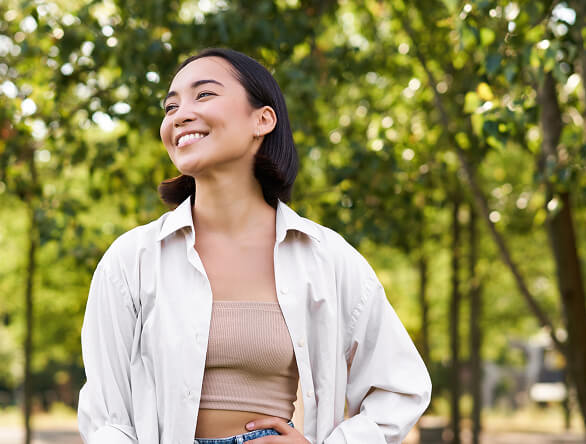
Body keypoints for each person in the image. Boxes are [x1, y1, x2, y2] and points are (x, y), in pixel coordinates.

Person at [77, 48, 431, 444]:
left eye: (204, 95)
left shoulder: (326, 258)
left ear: (262, 120)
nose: (179, 115)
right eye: (170, 106)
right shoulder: (131, 260)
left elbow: (401, 388)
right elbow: (107, 418)